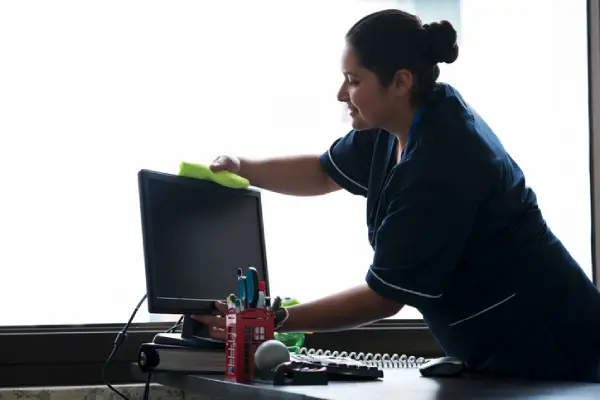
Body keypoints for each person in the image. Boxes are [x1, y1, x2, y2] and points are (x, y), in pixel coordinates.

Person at [193, 9, 600, 382]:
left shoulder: (443, 162)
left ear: (401, 82)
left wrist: (270, 318)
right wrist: (242, 168)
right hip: (502, 352)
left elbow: (384, 298)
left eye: (353, 81)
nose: (340, 93)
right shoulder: (402, 124)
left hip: (558, 352)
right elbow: (323, 171)